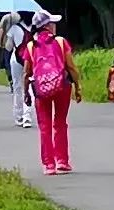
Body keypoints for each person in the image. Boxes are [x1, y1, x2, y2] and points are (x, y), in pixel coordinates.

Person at [23, 10, 83, 175]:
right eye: (53, 23)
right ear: (47, 26)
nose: (55, 25)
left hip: (41, 89)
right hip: (62, 86)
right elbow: (71, 67)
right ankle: (62, 161)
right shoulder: (61, 42)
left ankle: (49, 164)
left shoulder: (30, 46)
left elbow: (27, 73)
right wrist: (78, 86)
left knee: (45, 125)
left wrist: (25, 93)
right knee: (60, 122)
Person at [3, 12, 33, 128]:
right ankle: (27, 117)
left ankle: (18, 116)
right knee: (29, 87)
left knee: (18, 88)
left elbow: (8, 47)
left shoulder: (14, 28)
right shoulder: (35, 28)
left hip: (16, 59)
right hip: (31, 60)